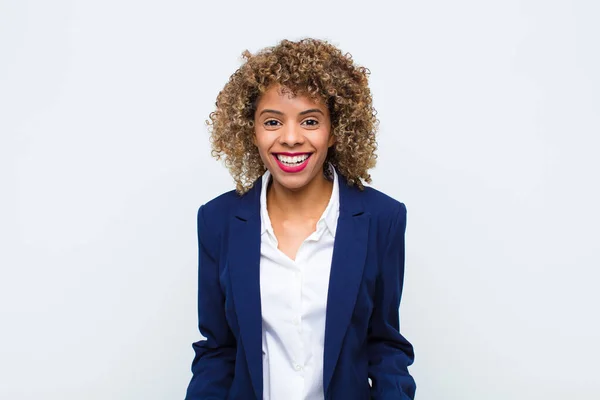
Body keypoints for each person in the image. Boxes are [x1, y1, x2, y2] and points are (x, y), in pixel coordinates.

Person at [185, 38, 416, 400]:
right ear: (252, 131)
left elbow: (385, 346)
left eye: (310, 121)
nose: (291, 138)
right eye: (273, 121)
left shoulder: (381, 218)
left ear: (336, 130)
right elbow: (219, 350)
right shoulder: (218, 220)